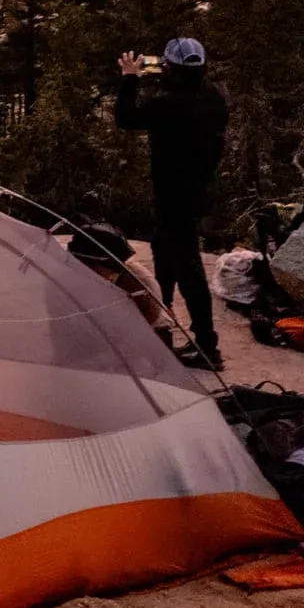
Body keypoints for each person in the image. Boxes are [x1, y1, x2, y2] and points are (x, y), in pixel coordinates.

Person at [116, 36, 228, 370]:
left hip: (172, 194)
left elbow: (125, 117)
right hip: (199, 192)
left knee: (189, 267)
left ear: (170, 68)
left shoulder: (167, 104)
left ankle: (208, 348)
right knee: (165, 253)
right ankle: (158, 327)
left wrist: (130, 77)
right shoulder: (213, 98)